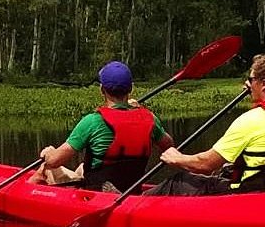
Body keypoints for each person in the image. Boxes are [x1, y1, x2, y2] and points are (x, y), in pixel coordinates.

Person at [149, 53, 265, 196]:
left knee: (178, 181)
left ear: (263, 84)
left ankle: (133, 205)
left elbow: (206, 165)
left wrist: (177, 158)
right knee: (226, 169)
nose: (247, 85)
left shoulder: (253, 119)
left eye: (251, 79)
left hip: (248, 198)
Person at [30, 61, 173, 192]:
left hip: (97, 195)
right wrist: (138, 110)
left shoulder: (92, 121)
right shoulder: (150, 119)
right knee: (81, 168)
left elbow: (55, 161)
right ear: (131, 88)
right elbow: (169, 145)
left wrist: (47, 155)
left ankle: (26, 191)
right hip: (131, 190)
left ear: (102, 90)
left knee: (47, 163)